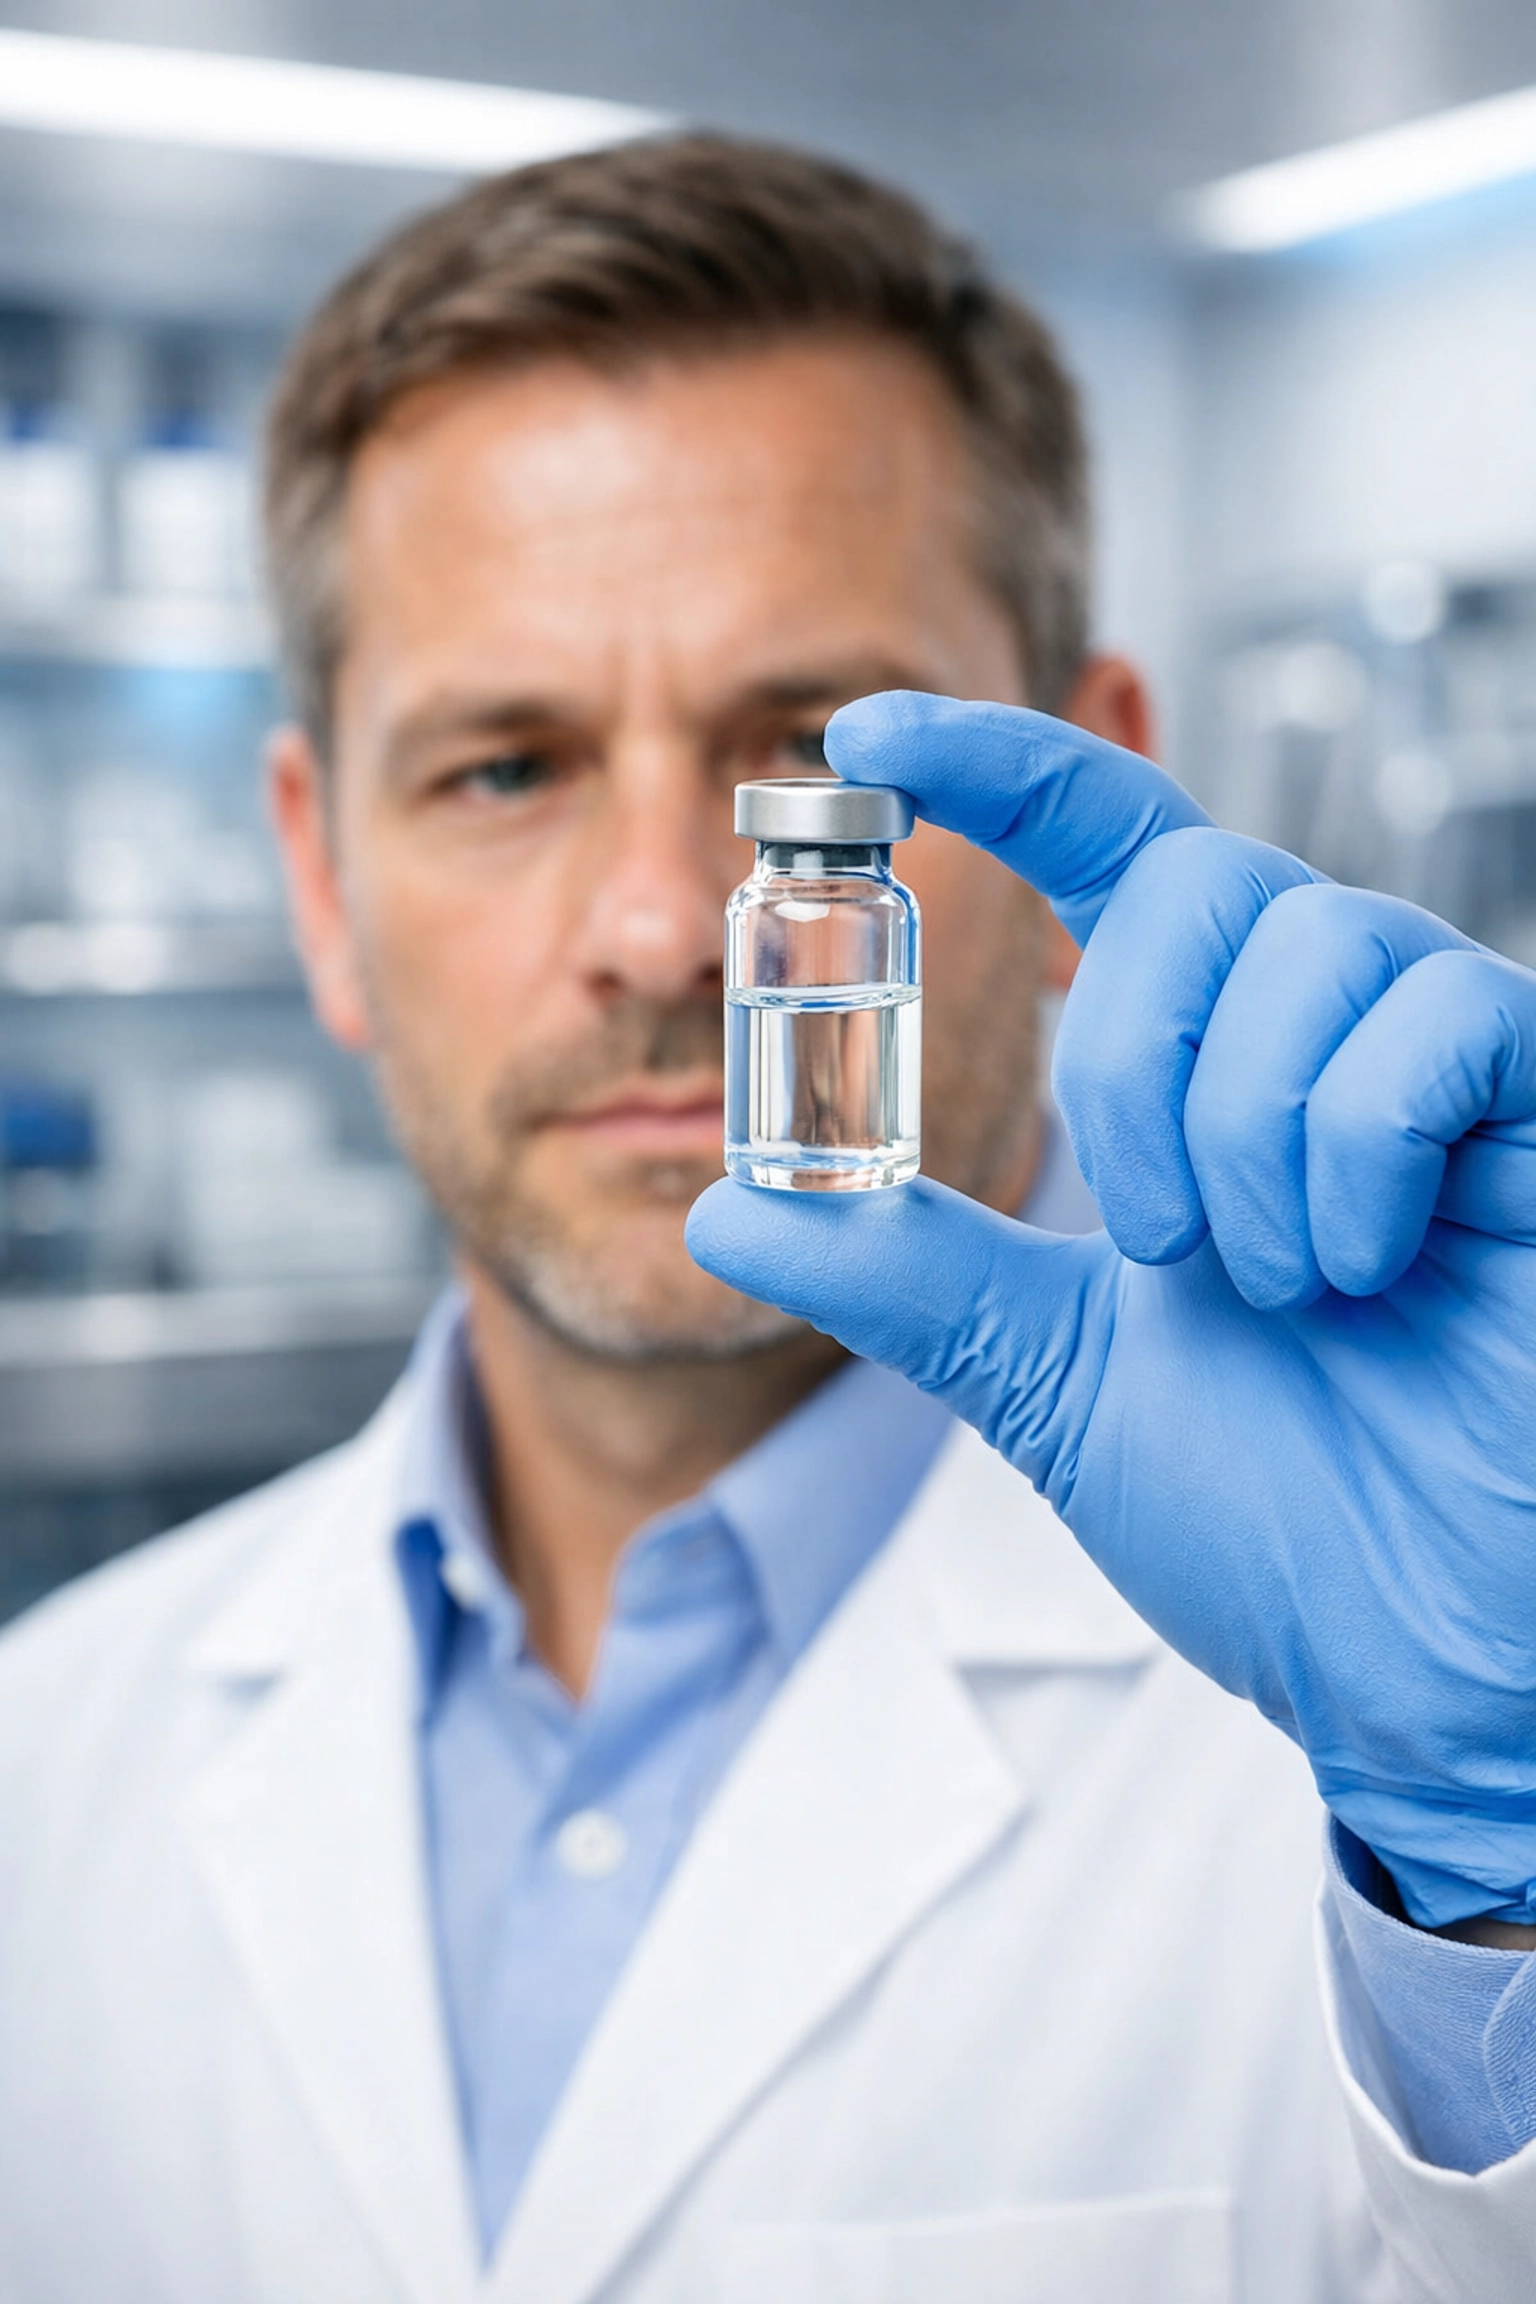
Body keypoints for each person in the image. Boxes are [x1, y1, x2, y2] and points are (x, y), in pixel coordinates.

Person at [0, 130, 1532, 2304]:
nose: (662, 926)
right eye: (504, 768)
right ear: (319, 878)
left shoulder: (1417, 1730)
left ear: (1089, 777)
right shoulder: (45, 1771)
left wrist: (1500, 1858)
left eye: (810, 761)